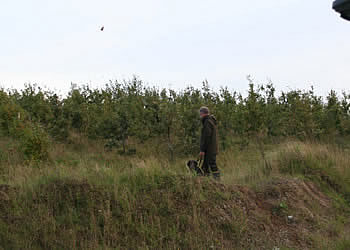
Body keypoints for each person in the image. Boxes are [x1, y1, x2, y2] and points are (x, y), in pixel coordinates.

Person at [199, 106, 220, 180]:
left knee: (212, 164)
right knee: (205, 166)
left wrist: (202, 150)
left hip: (210, 149)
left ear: (202, 113)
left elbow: (206, 137)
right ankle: (205, 182)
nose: (200, 116)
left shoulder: (207, 122)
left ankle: (218, 181)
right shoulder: (211, 121)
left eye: (200, 114)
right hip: (211, 148)